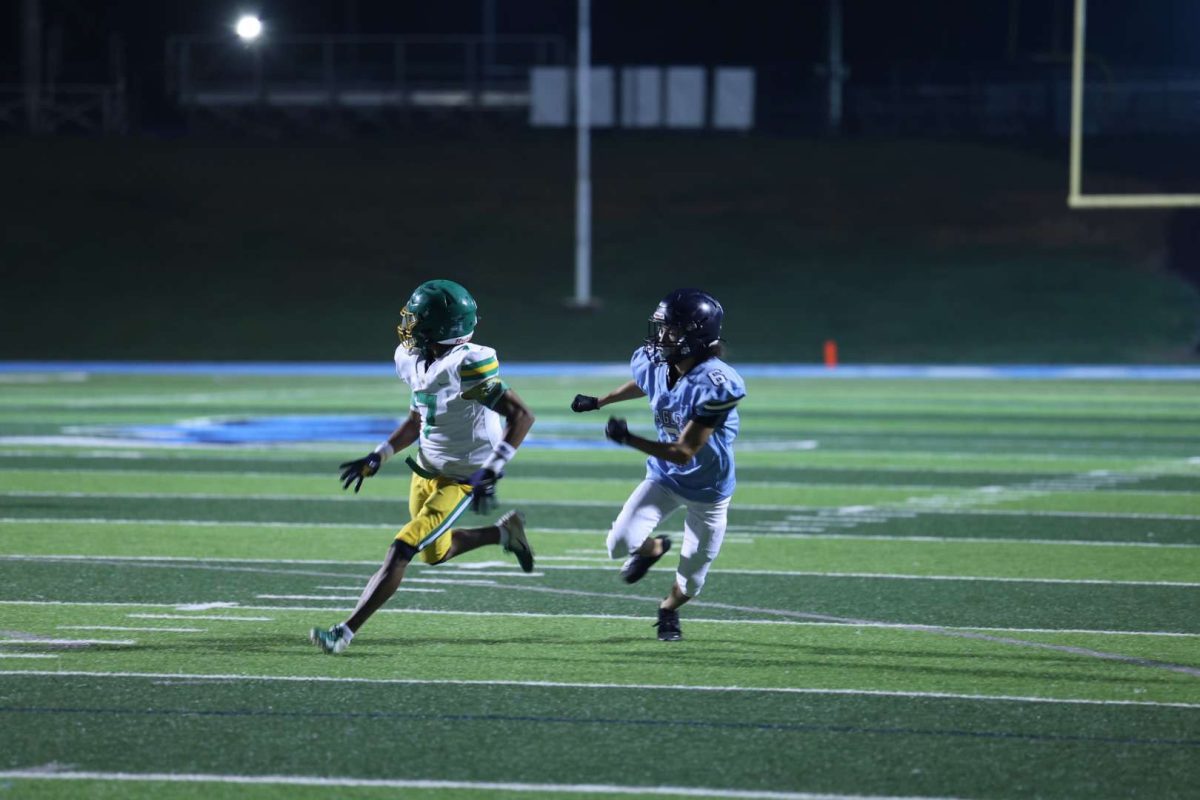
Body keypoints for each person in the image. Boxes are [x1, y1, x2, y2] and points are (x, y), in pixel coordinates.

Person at [310, 279, 536, 655]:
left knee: (403, 548)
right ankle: (504, 534)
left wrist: (492, 470)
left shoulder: (468, 363)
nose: (409, 325)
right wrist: (379, 454)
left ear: (440, 325)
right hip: (426, 467)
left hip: (464, 476)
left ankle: (344, 632)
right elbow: (418, 418)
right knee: (437, 553)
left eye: (416, 318)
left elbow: (522, 416)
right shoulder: (412, 357)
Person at [570, 288, 745, 641]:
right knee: (617, 545)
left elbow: (684, 451)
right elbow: (646, 381)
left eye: (672, 330)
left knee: (693, 577)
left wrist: (629, 439)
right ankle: (653, 549)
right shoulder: (657, 362)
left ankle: (667, 609)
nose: (662, 337)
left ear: (696, 335)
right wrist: (601, 401)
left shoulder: (716, 384)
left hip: (708, 490)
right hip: (664, 478)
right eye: (661, 328)